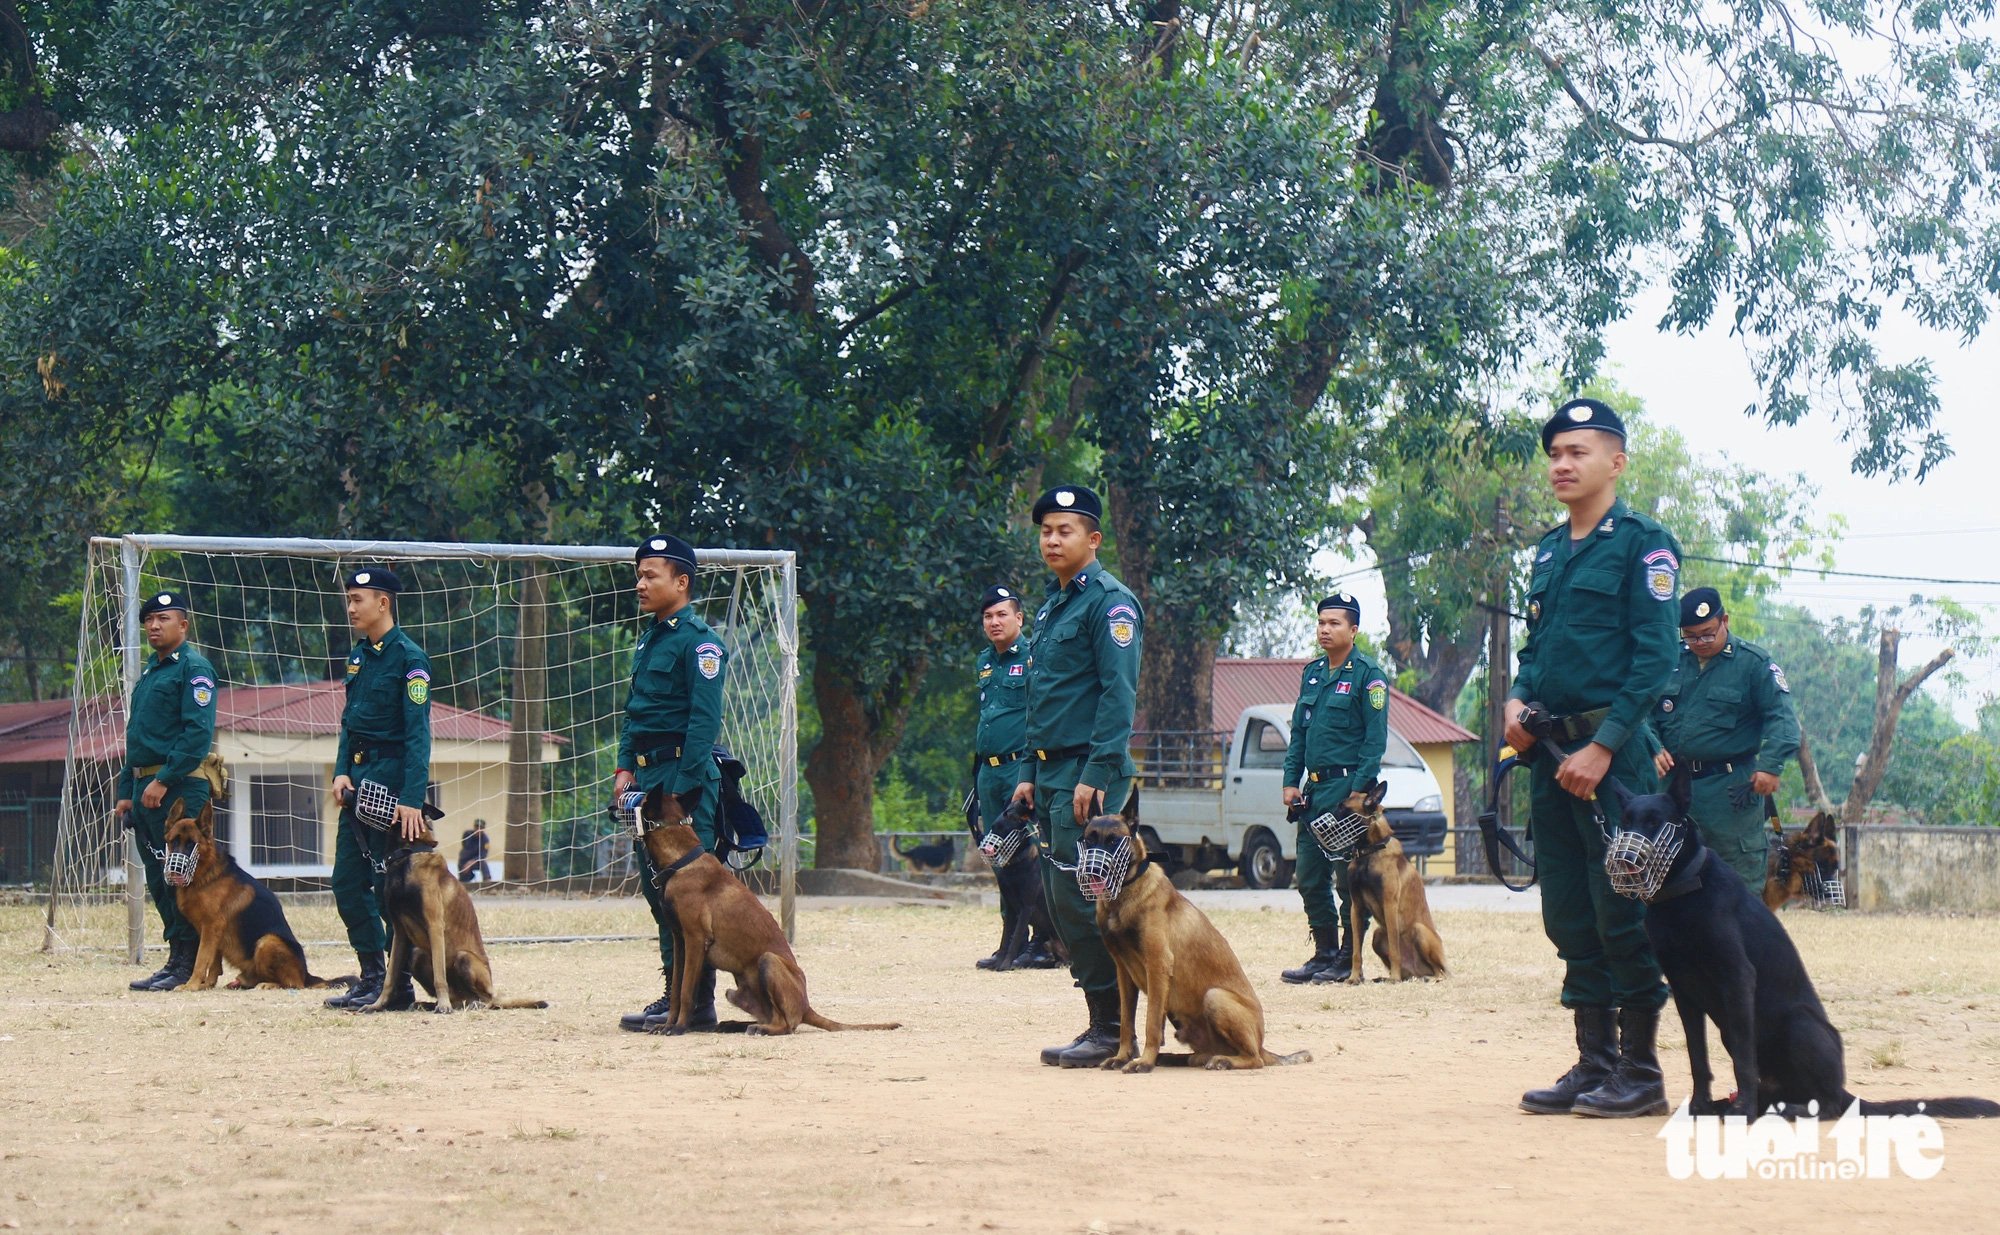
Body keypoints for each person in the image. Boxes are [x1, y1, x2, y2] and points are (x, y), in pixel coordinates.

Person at [1503, 398, 1680, 1119]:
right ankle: (1595, 1061)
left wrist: (1604, 746)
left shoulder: (1644, 543)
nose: (1562, 464)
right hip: (1550, 759)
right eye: (1555, 453)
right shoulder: (1548, 552)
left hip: (1614, 762)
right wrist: (1514, 704)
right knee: (1569, 911)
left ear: (1616, 461)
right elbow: (1534, 653)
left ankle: (1640, 1071)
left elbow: (1657, 656)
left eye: (1578, 451)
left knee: (1622, 909)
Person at [1009, 485, 1143, 1067]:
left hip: (1092, 776)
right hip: (1053, 772)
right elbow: (1046, 699)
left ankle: (1115, 1028)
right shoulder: (1054, 606)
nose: (1052, 539)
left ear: (1093, 539)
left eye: (1065, 530)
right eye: (1045, 531)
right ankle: (1102, 1021)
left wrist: (1095, 772)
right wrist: (1027, 771)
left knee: (1091, 900)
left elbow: (1118, 695)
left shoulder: (1110, 604)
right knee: (1066, 900)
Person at [614, 534, 728, 1033]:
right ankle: (675, 992)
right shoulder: (650, 638)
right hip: (646, 777)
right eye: (638, 575)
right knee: (657, 891)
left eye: (649, 575)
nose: (639, 583)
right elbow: (634, 714)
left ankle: (696, 1002)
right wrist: (624, 767)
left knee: (688, 893)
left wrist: (680, 794)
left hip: (682, 783)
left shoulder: (699, 642)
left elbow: (703, 723)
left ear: (681, 582)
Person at [322, 565, 435, 1011]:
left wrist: (410, 798)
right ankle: (370, 974)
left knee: (384, 884)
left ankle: (396, 983)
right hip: (357, 780)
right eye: (348, 600)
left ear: (382, 603)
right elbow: (349, 723)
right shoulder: (358, 656)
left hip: (390, 779)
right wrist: (341, 770)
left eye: (357, 600)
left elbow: (418, 735)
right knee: (346, 882)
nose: (350, 608)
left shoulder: (410, 660)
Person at [1653, 587, 1802, 888]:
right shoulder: (1669, 661)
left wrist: (1771, 765)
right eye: (1691, 636)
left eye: (1707, 633)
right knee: (1666, 882)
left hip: (1729, 793)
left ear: (1725, 621)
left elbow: (1783, 719)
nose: (1700, 642)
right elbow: (1642, 709)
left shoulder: (1754, 664)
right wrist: (1652, 746)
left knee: (1736, 886)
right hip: (1672, 788)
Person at [1279, 594, 1389, 985]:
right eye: (1321, 622)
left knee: (1348, 879)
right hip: (1314, 790)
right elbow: (1299, 734)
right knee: (1309, 875)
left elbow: (1374, 743)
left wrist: (1358, 796)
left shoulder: (1368, 676)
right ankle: (1323, 951)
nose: (1325, 629)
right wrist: (1291, 781)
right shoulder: (1312, 674)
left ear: (1353, 629)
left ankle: (1347, 955)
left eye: (1334, 623)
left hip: (1347, 792)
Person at [115, 591, 218, 992]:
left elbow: (197, 734)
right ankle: (177, 956)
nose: (154, 626)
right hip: (145, 788)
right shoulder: (151, 674)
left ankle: (189, 961)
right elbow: (137, 738)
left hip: (178, 788)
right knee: (161, 878)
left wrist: (162, 780)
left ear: (183, 624)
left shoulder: (193, 669)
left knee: (182, 876)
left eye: (163, 618)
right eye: (149, 620)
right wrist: (127, 789)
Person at [971, 583, 1058, 970]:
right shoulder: (984, 662)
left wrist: (1036, 771)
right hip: (989, 774)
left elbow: (1041, 716)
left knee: (1033, 860)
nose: (995, 621)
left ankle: (1044, 941)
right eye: (988, 616)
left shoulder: (1033, 658)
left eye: (1002, 614)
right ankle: (1011, 939)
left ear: (1019, 619)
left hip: (1020, 771)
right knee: (999, 859)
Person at [457, 818, 492, 883]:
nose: (478, 830)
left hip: (476, 861)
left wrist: (471, 862)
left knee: (483, 862)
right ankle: (464, 880)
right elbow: (464, 845)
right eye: (476, 827)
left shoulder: (486, 840)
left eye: (480, 828)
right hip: (464, 860)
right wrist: (466, 862)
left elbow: (483, 854)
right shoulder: (467, 834)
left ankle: (487, 880)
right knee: (463, 878)